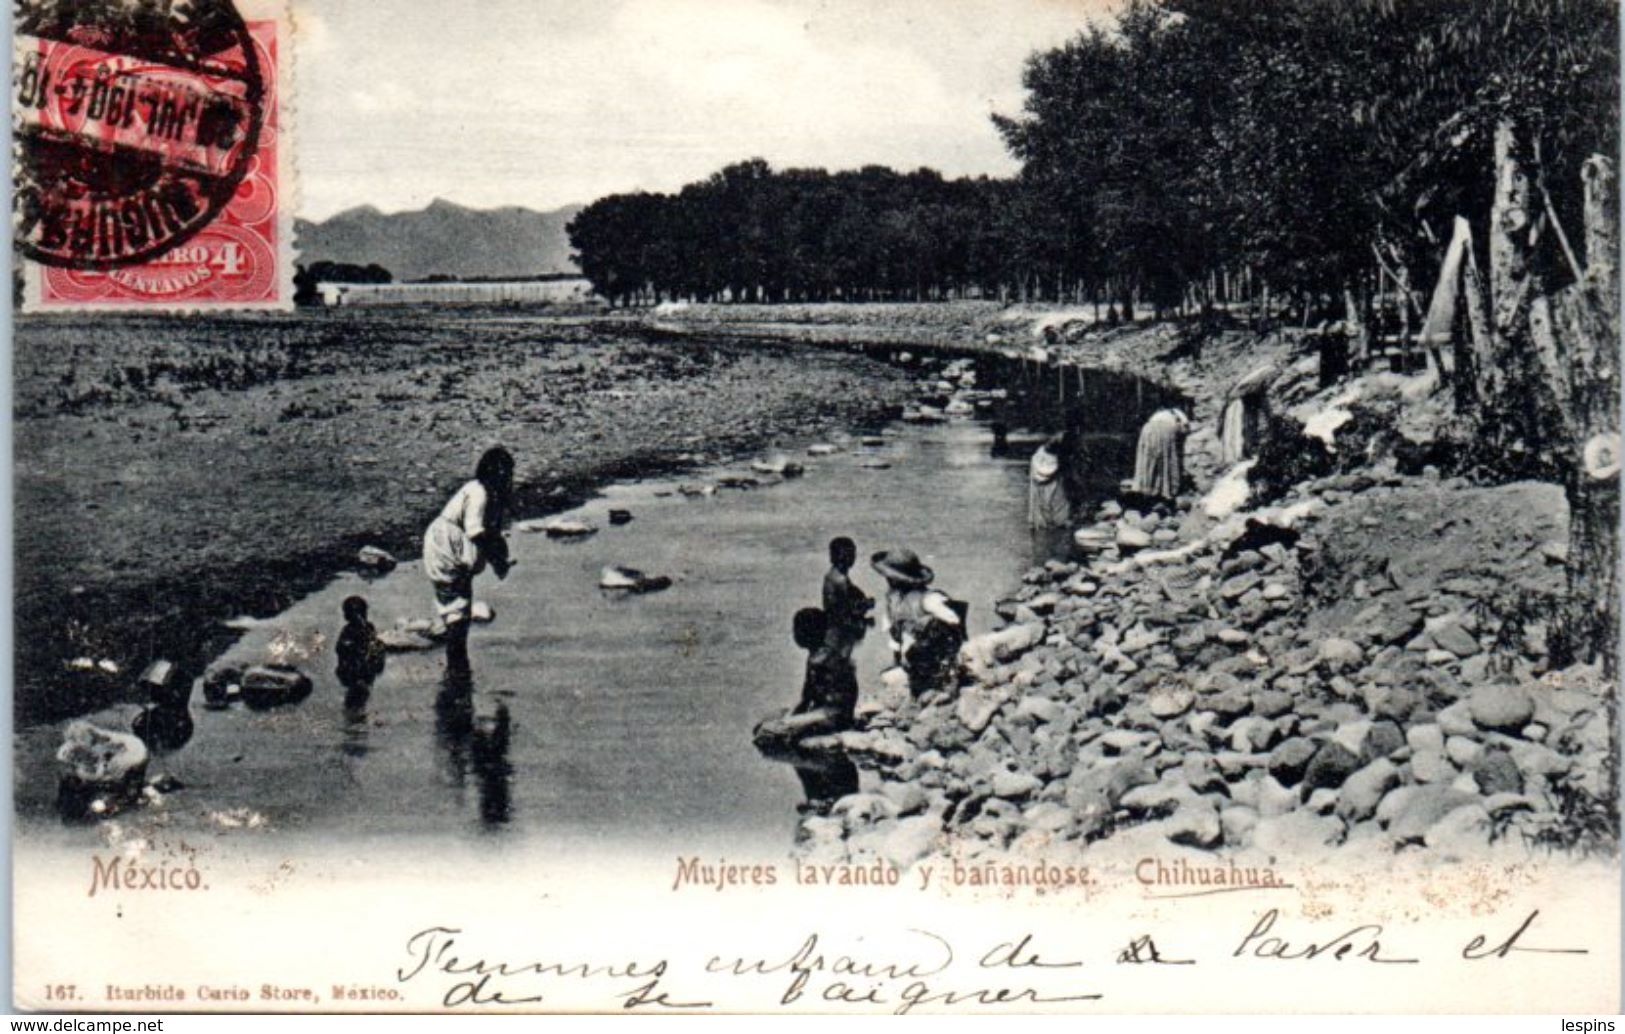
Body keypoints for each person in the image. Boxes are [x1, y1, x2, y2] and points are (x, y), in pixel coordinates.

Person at [423, 447, 515, 666]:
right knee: (456, 608)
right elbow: (475, 531)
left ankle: (457, 666)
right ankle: (457, 666)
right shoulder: (478, 492)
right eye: (504, 475)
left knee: (460, 607)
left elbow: (489, 532)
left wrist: (498, 555)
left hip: (451, 547)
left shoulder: (488, 494)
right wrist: (496, 559)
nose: (507, 480)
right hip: (445, 546)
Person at [870, 548, 966, 695]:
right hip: (910, 661)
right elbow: (894, 633)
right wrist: (897, 661)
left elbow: (955, 625)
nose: (888, 580)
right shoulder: (893, 598)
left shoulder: (929, 599)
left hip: (932, 661)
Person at [821, 537, 872, 660]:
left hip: (834, 625)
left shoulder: (833, 575)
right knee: (841, 658)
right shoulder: (840, 580)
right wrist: (864, 606)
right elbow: (843, 607)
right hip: (840, 628)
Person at [335, 595, 386, 710]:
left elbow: (373, 645)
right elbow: (340, 648)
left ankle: (356, 711)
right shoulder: (351, 630)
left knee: (358, 699)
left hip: (361, 671)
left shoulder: (365, 628)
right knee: (357, 699)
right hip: (355, 671)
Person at [1132, 408, 1191, 502]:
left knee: (1147, 460)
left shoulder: (1164, 414)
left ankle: (1145, 487)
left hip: (1147, 429)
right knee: (1166, 460)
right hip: (1164, 430)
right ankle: (1165, 490)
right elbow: (1184, 430)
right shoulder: (1182, 419)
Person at [1028, 433, 1073, 530]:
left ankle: (1050, 522)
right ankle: (1053, 522)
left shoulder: (1038, 456)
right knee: (1051, 500)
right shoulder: (1043, 457)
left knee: (1048, 501)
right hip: (1048, 478)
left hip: (1047, 478)